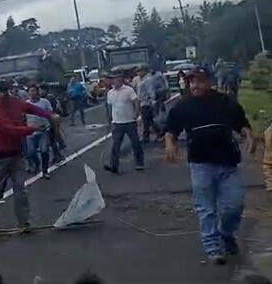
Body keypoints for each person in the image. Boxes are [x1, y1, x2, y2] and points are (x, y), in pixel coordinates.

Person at [164, 68, 252, 265]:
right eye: (192, 82)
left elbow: (242, 123)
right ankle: (212, 247)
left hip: (228, 163)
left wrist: (248, 135)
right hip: (200, 164)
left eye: (200, 81)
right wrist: (170, 145)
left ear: (210, 81)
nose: (195, 85)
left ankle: (227, 234)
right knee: (206, 209)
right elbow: (171, 129)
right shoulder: (183, 106)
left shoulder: (225, 102)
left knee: (235, 205)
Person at [0, 80, 57, 229]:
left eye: (4, 91)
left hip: (15, 152)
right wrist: (33, 129)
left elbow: (30, 107)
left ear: (8, 91)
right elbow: (9, 129)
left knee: (20, 188)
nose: (1, 95)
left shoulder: (13, 101)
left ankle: (23, 221)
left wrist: (49, 115)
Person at [104, 74, 144, 173]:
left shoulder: (128, 90)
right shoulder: (110, 93)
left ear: (121, 79)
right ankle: (114, 165)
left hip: (129, 121)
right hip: (117, 122)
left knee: (135, 143)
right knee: (115, 145)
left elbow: (136, 101)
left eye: (117, 78)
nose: (115, 81)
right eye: (113, 79)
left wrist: (136, 113)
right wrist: (109, 120)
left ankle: (139, 163)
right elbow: (109, 107)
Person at [25, 85, 55, 179]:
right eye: (30, 91)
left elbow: (50, 114)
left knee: (44, 151)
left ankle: (45, 170)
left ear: (37, 92)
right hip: (30, 132)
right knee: (31, 153)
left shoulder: (44, 102)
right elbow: (22, 117)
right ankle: (37, 165)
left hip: (44, 130)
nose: (32, 93)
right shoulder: (26, 104)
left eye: (34, 91)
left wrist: (53, 126)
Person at [137, 67, 165, 143]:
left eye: (139, 71)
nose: (138, 73)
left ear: (144, 71)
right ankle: (160, 133)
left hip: (147, 103)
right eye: (137, 71)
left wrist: (153, 101)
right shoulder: (142, 80)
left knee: (146, 121)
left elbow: (151, 91)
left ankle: (146, 137)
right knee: (149, 121)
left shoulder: (148, 80)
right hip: (143, 103)